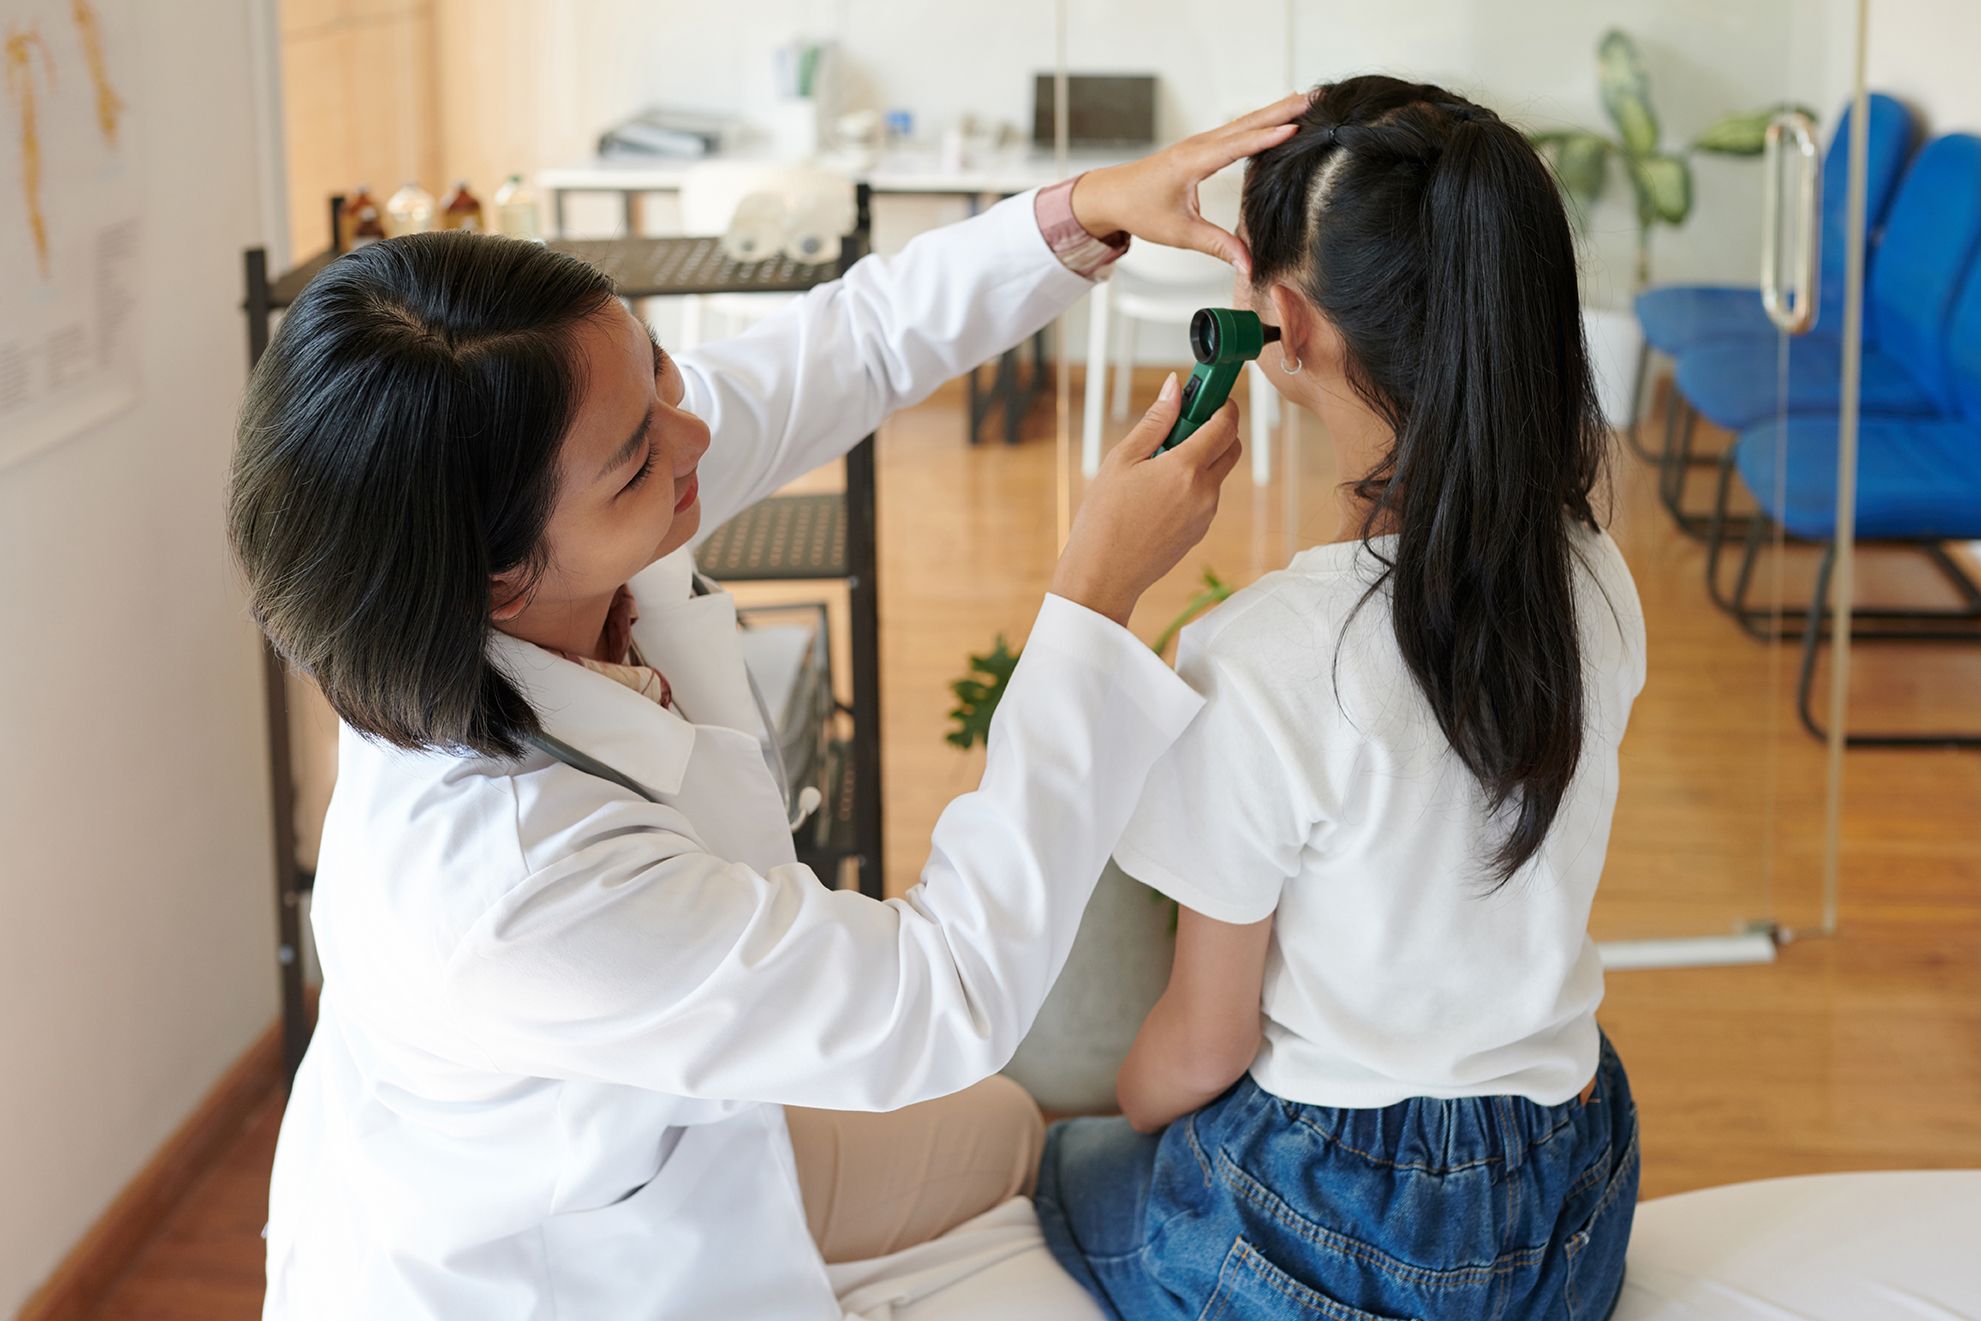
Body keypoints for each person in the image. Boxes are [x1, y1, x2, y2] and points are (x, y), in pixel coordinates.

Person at [228, 98, 1310, 1320]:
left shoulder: (534, 540)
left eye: (664, 377)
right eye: (641, 453)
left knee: (1006, 1125)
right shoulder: (515, 888)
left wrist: (1083, 212)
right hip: (545, 1269)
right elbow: (941, 996)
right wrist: (1095, 594)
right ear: (496, 570)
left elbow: (848, 347)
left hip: (685, 1149)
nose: (698, 433)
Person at [1033, 77, 1647, 1321]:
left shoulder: (1262, 657)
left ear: (1283, 325)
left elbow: (1198, 1052)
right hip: (1567, 1194)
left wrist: (1107, 1116)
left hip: (1337, 1214)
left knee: (1062, 1173)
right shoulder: (1595, 577)